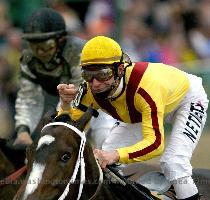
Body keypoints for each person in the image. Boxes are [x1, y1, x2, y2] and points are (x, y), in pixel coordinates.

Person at [57, 35, 209, 200]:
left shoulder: (146, 89)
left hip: (186, 99)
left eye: (103, 73)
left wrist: (115, 155)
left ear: (120, 69)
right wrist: (65, 105)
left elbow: (156, 144)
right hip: (140, 109)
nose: (95, 84)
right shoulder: (87, 90)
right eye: (88, 74)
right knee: (104, 161)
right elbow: (68, 131)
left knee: (174, 163)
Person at [13, 7, 115, 147]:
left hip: (98, 104)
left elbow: (78, 94)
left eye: (46, 46)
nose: (40, 52)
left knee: (105, 140)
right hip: (62, 104)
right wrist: (23, 129)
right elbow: (28, 98)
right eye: (34, 45)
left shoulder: (79, 51)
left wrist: (60, 125)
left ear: (60, 40)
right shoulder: (29, 58)